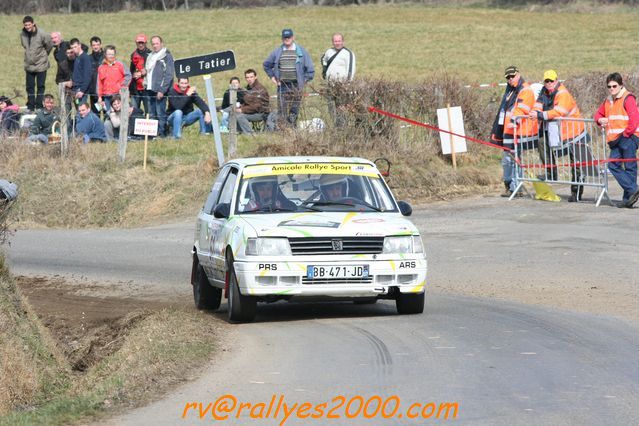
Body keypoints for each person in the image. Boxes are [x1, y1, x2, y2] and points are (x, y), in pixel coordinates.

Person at [531, 70, 588, 202]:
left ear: (557, 80)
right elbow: (537, 105)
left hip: (574, 132)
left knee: (577, 164)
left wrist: (540, 115)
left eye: (551, 80)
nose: (549, 83)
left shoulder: (563, 94)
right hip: (559, 131)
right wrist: (535, 111)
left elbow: (559, 112)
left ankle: (576, 192)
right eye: (547, 81)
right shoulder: (544, 92)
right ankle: (551, 173)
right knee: (541, 142)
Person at [490, 66, 539, 197]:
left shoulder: (525, 90)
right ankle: (509, 185)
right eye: (508, 77)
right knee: (507, 159)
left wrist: (513, 121)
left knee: (514, 159)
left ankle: (516, 187)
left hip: (518, 130)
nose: (510, 79)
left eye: (512, 76)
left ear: (518, 74)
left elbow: (522, 109)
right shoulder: (510, 89)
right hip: (508, 130)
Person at [594, 72, 639, 208]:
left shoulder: (628, 98)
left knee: (629, 167)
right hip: (616, 139)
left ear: (621, 85)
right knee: (613, 165)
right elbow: (598, 114)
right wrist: (599, 119)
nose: (612, 88)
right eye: (609, 86)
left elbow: (634, 119)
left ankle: (628, 198)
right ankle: (632, 191)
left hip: (629, 137)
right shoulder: (608, 100)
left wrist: (626, 135)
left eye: (614, 86)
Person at [263, 28, 314, 128]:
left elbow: (310, 69)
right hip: (282, 85)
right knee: (282, 111)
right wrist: (272, 77)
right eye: (285, 37)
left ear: (293, 37)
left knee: (294, 110)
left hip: (296, 85)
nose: (287, 39)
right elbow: (266, 64)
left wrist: (304, 81)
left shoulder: (301, 52)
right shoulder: (277, 52)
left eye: (289, 37)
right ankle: (284, 132)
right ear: (282, 38)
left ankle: (293, 131)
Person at [321, 33, 356, 127]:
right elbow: (323, 59)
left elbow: (351, 70)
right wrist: (324, 71)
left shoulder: (348, 53)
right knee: (331, 108)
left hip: (342, 87)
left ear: (343, 41)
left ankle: (342, 128)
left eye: (339, 41)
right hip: (330, 86)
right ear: (332, 42)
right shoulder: (329, 51)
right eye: (335, 41)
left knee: (341, 108)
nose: (337, 43)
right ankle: (336, 126)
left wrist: (347, 85)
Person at [20, 16, 52, 112]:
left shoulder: (42, 34)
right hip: (29, 65)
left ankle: (38, 106)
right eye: (26, 25)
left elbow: (49, 45)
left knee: (40, 86)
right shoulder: (22, 34)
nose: (27, 27)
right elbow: (24, 45)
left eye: (29, 24)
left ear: (33, 23)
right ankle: (30, 106)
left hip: (41, 64)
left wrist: (43, 55)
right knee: (29, 87)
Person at [144, 35, 174, 137]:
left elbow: (169, 75)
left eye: (157, 43)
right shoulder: (150, 56)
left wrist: (162, 90)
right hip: (150, 89)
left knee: (160, 112)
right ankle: (153, 134)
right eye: (153, 44)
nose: (155, 46)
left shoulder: (166, 56)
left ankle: (162, 134)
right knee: (151, 113)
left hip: (160, 90)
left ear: (161, 43)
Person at [97, 45, 131, 113]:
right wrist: (99, 96)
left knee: (121, 115)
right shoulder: (101, 67)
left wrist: (122, 87)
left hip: (118, 95)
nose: (111, 56)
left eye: (113, 54)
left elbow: (128, 76)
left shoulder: (120, 65)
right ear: (105, 54)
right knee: (108, 114)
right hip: (107, 96)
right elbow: (99, 83)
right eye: (109, 54)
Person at [236, 69, 271, 134]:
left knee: (240, 116)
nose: (249, 79)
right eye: (247, 77)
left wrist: (242, 110)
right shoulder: (249, 88)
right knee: (234, 114)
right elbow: (248, 102)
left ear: (255, 77)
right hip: (252, 112)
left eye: (251, 77)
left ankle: (250, 134)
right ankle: (239, 133)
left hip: (261, 113)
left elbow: (257, 106)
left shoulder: (259, 89)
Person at [129, 33, 151, 114]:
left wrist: (141, 73)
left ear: (146, 43)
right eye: (139, 43)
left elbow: (152, 70)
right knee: (133, 112)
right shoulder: (133, 54)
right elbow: (131, 71)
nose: (141, 44)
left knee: (149, 112)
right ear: (136, 43)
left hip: (147, 88)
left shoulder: (151, 54)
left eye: (142, 42)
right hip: (135, 89)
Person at [70, 38, 92, 108]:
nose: (74, 49)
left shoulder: (85, 58)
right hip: (75, 88)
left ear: (80, 45)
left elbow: (87, 76)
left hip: (81, 89)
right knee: (78, 108)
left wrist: (82, 90)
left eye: (75, 47)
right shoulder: (76, 57)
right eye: (72, 47)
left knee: (82, 110)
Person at [88, 36, 104, 113]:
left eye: (97, 44)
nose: (96, 47)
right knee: (95, 113)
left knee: (106, 113)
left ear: (100, 45)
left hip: (105, 91)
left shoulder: (106, 57)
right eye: (94, 45)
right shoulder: (88, 58)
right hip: (93, 91)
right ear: (91, 46)